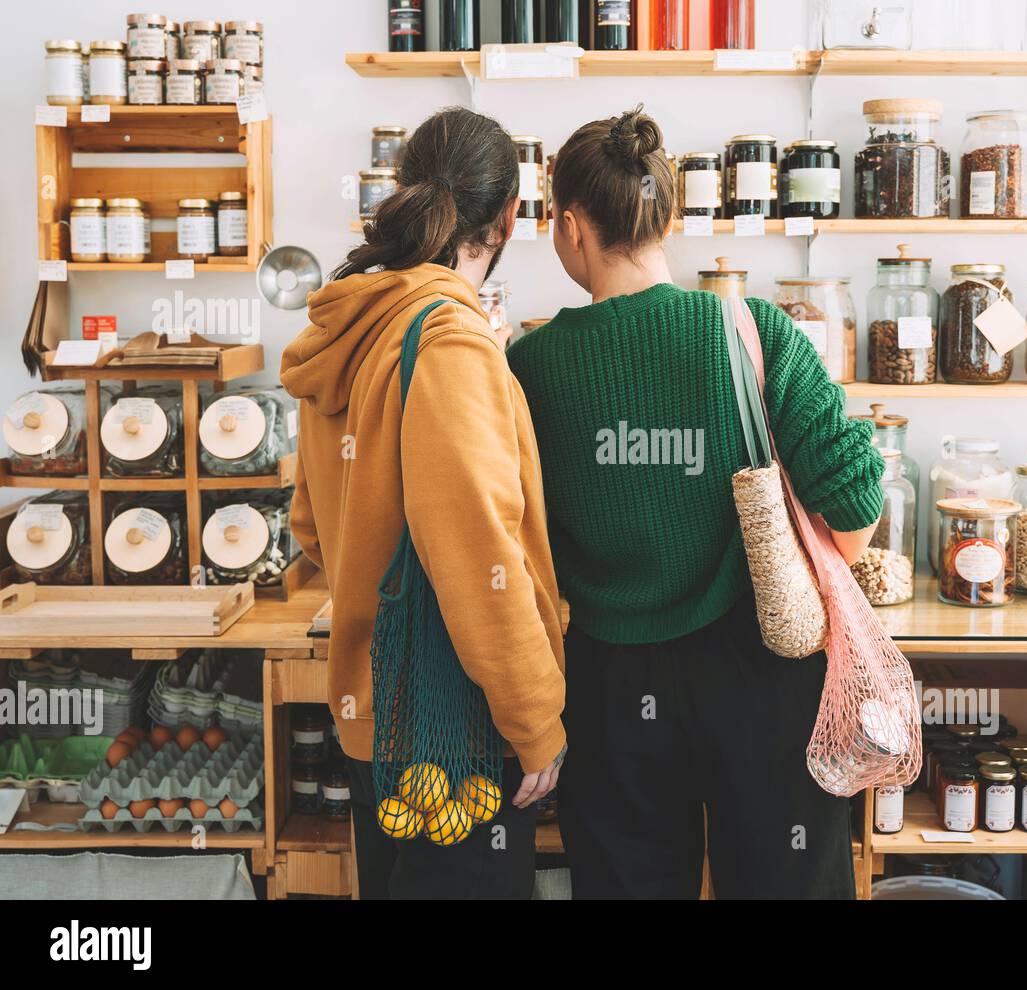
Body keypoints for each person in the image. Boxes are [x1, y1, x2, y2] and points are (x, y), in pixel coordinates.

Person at [507, 107, 885, 900]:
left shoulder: (530, 366)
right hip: (759, 667)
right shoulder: (754, 333)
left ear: (569, 226)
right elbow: (854, 507)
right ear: (669, 218)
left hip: (609, 688)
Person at [281, 107, 566, 900]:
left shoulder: (353, 326)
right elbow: (478, 555)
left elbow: (311, 526)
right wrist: (535, 720)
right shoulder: (447, 342)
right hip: (456, 727)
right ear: (509, 216)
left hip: (375, 711)